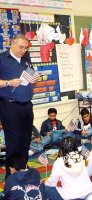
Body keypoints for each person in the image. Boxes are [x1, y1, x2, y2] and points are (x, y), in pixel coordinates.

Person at [0, 34, 37, 179]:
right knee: (14, 143)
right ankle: (11, 178)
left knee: (25, 141)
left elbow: (30, 76)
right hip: (9, 106)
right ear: (12, 43)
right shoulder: (2, 58)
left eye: (25, 48)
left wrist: (34, 78)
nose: (23, 51)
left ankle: (22, 173)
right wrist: (9, 82)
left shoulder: (26, 59)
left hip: (27, 106)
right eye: (21, 47)